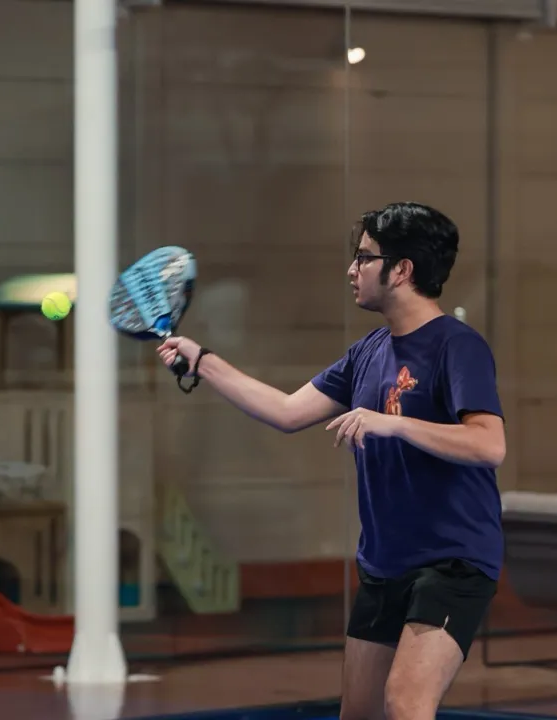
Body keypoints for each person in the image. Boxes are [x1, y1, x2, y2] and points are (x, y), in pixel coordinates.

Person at [158, 201, 506, 719]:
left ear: (401, 269)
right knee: (358, 713)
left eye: (364, 257)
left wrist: (394, 423)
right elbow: (287, 411)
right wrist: (203, 362)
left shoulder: (458, 346)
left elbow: (489, 444)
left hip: (453, 561)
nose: (351, 269)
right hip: (385, 562)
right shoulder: (367, 352)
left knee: (406, 702)